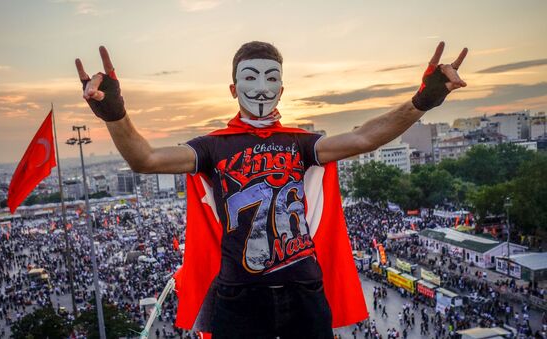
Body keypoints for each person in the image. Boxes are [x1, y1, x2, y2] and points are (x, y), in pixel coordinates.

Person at [75, 40, 467, 338]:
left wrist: (422, 101)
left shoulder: (300, 143)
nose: (261, 88)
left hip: (303, 290)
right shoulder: (212, 146)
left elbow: (364, 138)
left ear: (282, 88)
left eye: (271, 78)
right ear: (233, 88)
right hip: (239, 297)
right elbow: (145, 160)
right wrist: (115, 113)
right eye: (250, 77)